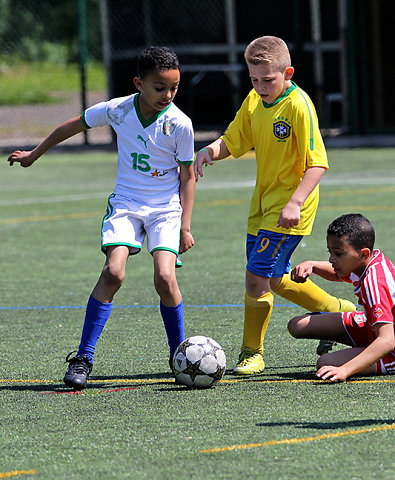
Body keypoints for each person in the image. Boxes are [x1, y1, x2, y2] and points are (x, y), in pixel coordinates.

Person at [7, 46, 195, 390]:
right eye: (159, 88)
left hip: (165, 209)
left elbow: (187, 176)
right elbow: (72, 125)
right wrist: (35, 153)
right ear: (139, 83)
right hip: (126, 202)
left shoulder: (180, 124)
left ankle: (179, 355)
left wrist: (184, 225)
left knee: (165, 278)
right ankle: (83, 357)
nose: (167, 95)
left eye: (174, 88)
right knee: (113, 272)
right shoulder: (119, 110)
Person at [194, 35, 355, 375]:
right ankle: (339, 311)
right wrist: (209, 151)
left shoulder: (298, 105)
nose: (261, 86)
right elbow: (234, 141)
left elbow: (318, 163)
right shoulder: (254, 101)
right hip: (264, 205)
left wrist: (295, 202)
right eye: (254, 79)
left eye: (268, 79)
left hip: (291, 206)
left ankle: (252, 353)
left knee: (256, 278)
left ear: (287, 73)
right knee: (277, 278)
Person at [288, 213, 395, 381]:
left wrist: (345, 370)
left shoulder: (374, 283)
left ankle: (368, 353)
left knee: (325, 363)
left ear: (363, 254)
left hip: (390, 345)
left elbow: (388, 340)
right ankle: (364, 348)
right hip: (374, 327)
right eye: (330, 252)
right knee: (296, 325)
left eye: (338, 254)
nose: (331, 259)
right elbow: (338, 275)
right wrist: (313, 265)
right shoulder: (365, 262)